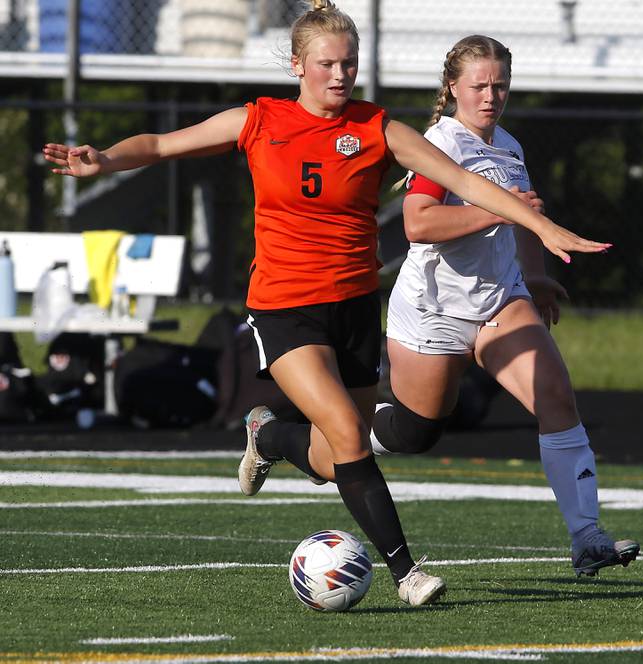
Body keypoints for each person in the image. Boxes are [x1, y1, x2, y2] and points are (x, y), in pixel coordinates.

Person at [42, 4, 610, 604]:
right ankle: (407, 574)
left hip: (354, 307)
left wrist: (541, 229)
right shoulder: (259, 120)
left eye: (349, 64)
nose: (340, 75)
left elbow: (469, 184)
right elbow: (160, 144)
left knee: (329, 450)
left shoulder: (378, 128)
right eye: (326, 64)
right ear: (297, 66)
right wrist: (104, 158)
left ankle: (269, 440)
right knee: (347, 432)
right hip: (284, 308)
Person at [368, 35, 640, 577]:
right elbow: (418, 224)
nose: (491, 96)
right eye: (479, 86)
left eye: (500, 85)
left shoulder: (509, 148)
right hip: (434, 309)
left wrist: (535, 278)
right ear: (452, 88)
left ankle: (587, 537)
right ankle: (345, 437)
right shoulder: (440, 144)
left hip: (498, 300)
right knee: (417, 432)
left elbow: (525, 220)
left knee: (555, 397)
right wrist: (498, 211)